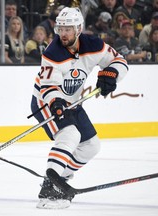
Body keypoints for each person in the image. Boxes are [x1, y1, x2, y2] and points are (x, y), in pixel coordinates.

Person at [30, 7, 128, 209]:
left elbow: (119, 60)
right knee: (70, 135)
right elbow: (49, 87)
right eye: (60, 29)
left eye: (68, 29)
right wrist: (56, 101)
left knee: (91, 146)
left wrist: (111, 74)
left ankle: (58, 179)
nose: (63, 33)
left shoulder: (93, 44)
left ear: (79, 29)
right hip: (46, 101)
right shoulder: (52, 52)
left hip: (73, 103)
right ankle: (48, 191)